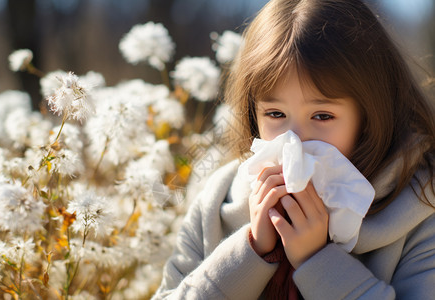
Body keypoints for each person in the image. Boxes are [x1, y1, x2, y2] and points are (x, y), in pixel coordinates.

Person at [153, 0, 435, 299]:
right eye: (275, 114)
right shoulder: (218, 201)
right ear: (253, 113)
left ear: (370, 117)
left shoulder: (420, 206)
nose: (295, 142)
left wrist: (318, 261)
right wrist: (248, 252)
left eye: (322, 116)